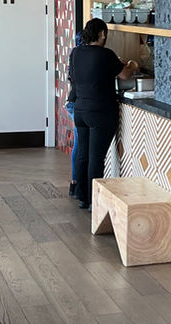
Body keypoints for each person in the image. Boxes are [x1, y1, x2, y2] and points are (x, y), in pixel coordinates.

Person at [69, 18, 137, 209]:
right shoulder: (106, 54)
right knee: (96, 157)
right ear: (103, 34)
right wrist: (132, 65)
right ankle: (94, 201)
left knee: (84, 153)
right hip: (100, 112)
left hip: (80, 110)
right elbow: (126, 75)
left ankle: (82, 196)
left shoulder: (76, 53)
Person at [65, 30, 82, 197]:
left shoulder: (74, 55)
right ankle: (76, 182)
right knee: (79, 144)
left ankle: (75, 183)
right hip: (77, 104)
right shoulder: (83, 57)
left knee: (79, 143)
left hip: (72, 103)